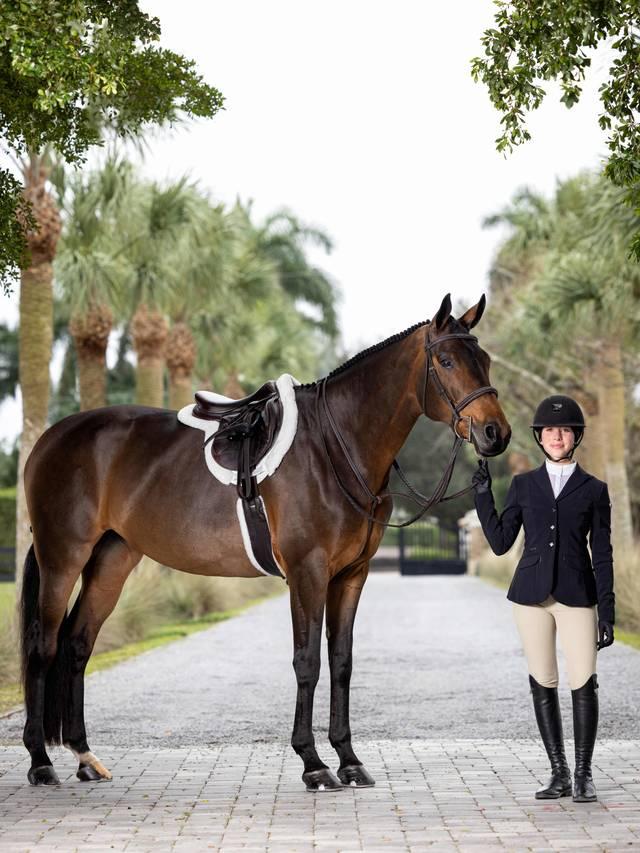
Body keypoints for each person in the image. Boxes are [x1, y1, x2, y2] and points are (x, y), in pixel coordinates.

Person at [471, 395, 614, 803]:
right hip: (530, 597)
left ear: (576, 437)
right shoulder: (523, 485)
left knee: (583, 680)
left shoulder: (594, 490)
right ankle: (559, 772)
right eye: (550, 431)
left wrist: (607, 609)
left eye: (565, 430)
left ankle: (584, 774)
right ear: (539, 437)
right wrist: (483, 496)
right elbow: (500, 543)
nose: (557, 436)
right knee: (543, 682)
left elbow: (602, 554)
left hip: (577, 596)